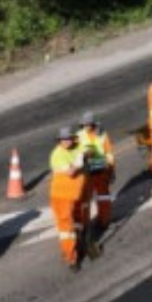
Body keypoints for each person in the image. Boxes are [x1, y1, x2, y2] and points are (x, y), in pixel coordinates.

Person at [49, 126, 88, 272]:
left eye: (69, 138)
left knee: (77, 220)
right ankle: (71, 258)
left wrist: (84, 153)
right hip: (61, 196)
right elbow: (70, 172)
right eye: (63, 139)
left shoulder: (76, 147)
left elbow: (86, 150)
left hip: (75, 194)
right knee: (66, 228)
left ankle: (79, 241)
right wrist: (78, 162)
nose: (66, 141)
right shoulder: (57, 154)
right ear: (59, 141)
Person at [77, 111, 116, 232]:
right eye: (85, 124)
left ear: (93, 124)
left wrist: (111, 168)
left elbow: (109, 153)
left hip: (101, 170)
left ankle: (104, 221)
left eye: (89, 124)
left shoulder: (102, 135)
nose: (87, 126)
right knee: (85, 200)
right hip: (87, 172)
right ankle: (84, 225)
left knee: (103, 197)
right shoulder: (79, 136)